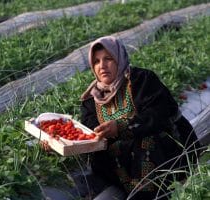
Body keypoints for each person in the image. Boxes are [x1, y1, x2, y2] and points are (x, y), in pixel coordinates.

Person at [80, 36, 201, 199]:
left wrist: (121, 126)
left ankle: (152, 194)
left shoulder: (141, 80)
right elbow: (88, 133)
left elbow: (159, 115)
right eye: (96, 61)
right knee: (106, 152)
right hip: (125, 163)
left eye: (108, 59)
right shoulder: (91, 100)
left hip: (166, 151)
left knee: (146, 141)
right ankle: (136, 192)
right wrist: (59, 143)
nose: (102, 66)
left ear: (119, 58)